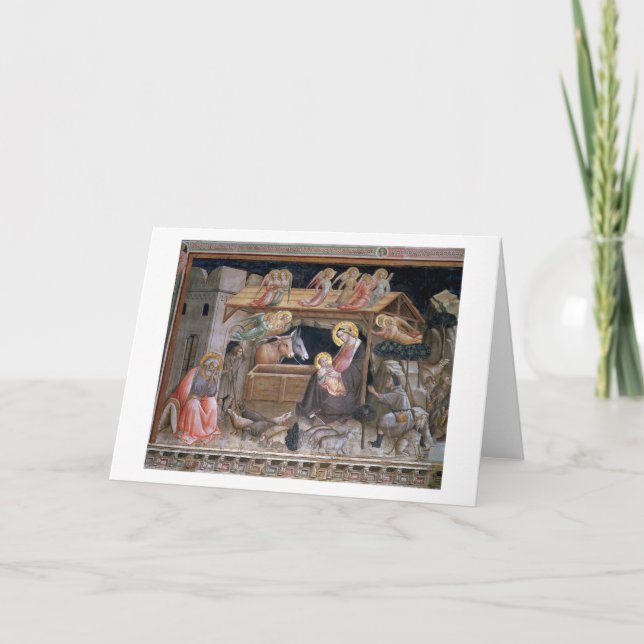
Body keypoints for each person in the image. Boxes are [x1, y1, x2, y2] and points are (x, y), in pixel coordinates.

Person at [296, 321, 364, 422]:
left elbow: (360, 365)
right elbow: (336, 360)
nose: (341, 338)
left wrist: (340, 374)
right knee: (317, 375)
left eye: (342, 335)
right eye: (339, 336)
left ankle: (314, 408)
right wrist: (330, 368)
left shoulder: (359, 346)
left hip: (346, 379)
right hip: (336, 372)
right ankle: (310, 408)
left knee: (320, 381)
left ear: (348, 332)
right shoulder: (344, 345)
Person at [171, 353, 222, 445]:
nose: (213, 369)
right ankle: (192, 433)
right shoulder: (196, 372)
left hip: (202, 398)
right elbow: (185, 388)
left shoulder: (211, 376)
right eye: (212, 366)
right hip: (190, 398)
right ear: (207, 364)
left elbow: (212, 392)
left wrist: (211, 379)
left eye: (215, 368)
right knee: (194, 404)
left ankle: (208, 430)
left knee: (213, 403)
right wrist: (192, 396)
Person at [368, 373, 412, 448]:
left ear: (393, 383)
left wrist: (373, 391)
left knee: (382, 421)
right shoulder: (398, 391)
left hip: (403, 417)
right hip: (404, 415)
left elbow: (383, 397)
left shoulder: (396, 393)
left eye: (389, 379)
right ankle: (378, 442)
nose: (387, 380)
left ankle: (378, 444)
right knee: (383, 420)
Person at [219, 344, 243, 414]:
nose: (241, 353)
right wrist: (230, 368)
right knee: (221, 396)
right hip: (226, 378)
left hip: (233, 379)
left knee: (231, 396)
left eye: (241, 352)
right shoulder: (228, 356)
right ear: (235, 351)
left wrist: (232, 369)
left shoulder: (239, 359)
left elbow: (235, 369)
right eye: (240, 351)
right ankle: (218, 413)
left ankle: (224, 411)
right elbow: (227, 367)